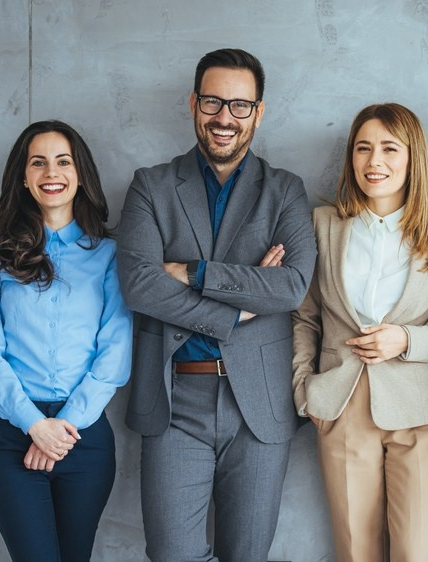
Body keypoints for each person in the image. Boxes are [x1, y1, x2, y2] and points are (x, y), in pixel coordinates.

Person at [116, 47, 316, 561]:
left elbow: (291, 286)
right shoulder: (150, 186)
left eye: (239, 105)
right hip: (175, 399)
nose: (224, 117)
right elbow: (139, 285)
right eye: (212, 102)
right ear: (193, 104)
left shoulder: (286, 191)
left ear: (259, 111)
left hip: (260, 407)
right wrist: (239, 307)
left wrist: (190, 272)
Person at [292, 103, 428, 561]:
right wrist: (303, 391)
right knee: (356, 553)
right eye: (363, 148)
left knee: (418, 555)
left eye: (390, 148)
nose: (375, 162)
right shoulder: (321, 226)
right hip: (341, 408)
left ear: (413, 158)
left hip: (422, 415)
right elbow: (304, 317)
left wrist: (407, 340)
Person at [0, 120, 133, 561]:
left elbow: (114, 352)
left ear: (80, 175)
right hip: (10, 437)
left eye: (63, 161)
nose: (51, 172)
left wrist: (62, 430)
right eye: (37, 162)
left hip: (84, 438)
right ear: (23, 177)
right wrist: (35, 426)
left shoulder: (110, 256)